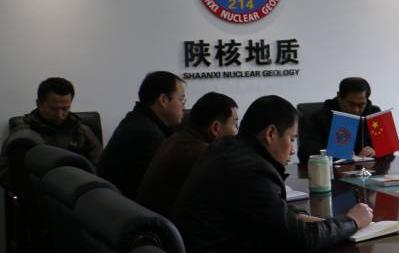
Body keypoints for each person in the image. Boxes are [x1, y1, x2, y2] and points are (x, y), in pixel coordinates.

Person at [173, 95, 372, 253]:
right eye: (291, 139)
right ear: (270, 133)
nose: (292, 150)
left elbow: (260, 210)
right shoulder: (251, 170)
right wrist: (351, 221)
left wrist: (295, 216)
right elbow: (300, 240)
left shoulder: (226, 149)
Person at [137, 92, 238, 218]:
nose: (236, 132)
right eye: (235, 124)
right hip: (169, 225)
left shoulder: (176, 139)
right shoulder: (204, 155)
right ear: (215, 128)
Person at [97, 71, 185, 199]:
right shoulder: (147, 135)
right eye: (181, 100)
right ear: (163, 100)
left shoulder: (137, 120)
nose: (184, 106)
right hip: (126, 207)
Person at [0, 77, 102, 185]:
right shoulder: (22, 135)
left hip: (77, 188)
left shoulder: (82, 131)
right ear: (38, 103)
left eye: (65, 108)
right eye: (53, 109)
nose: (59, 115)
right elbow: (4, 172)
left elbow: (100, 165)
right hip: (39, 191)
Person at [298, 77, 380, 162]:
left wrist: (375, 151)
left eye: (361, 105)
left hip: (368, 167)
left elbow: (386, 147)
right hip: (332, 168)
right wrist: (334, 154)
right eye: (351, 104)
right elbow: (305, 153)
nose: (356, 110)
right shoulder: (320, 117)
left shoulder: (374, 114)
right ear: (339, 97)